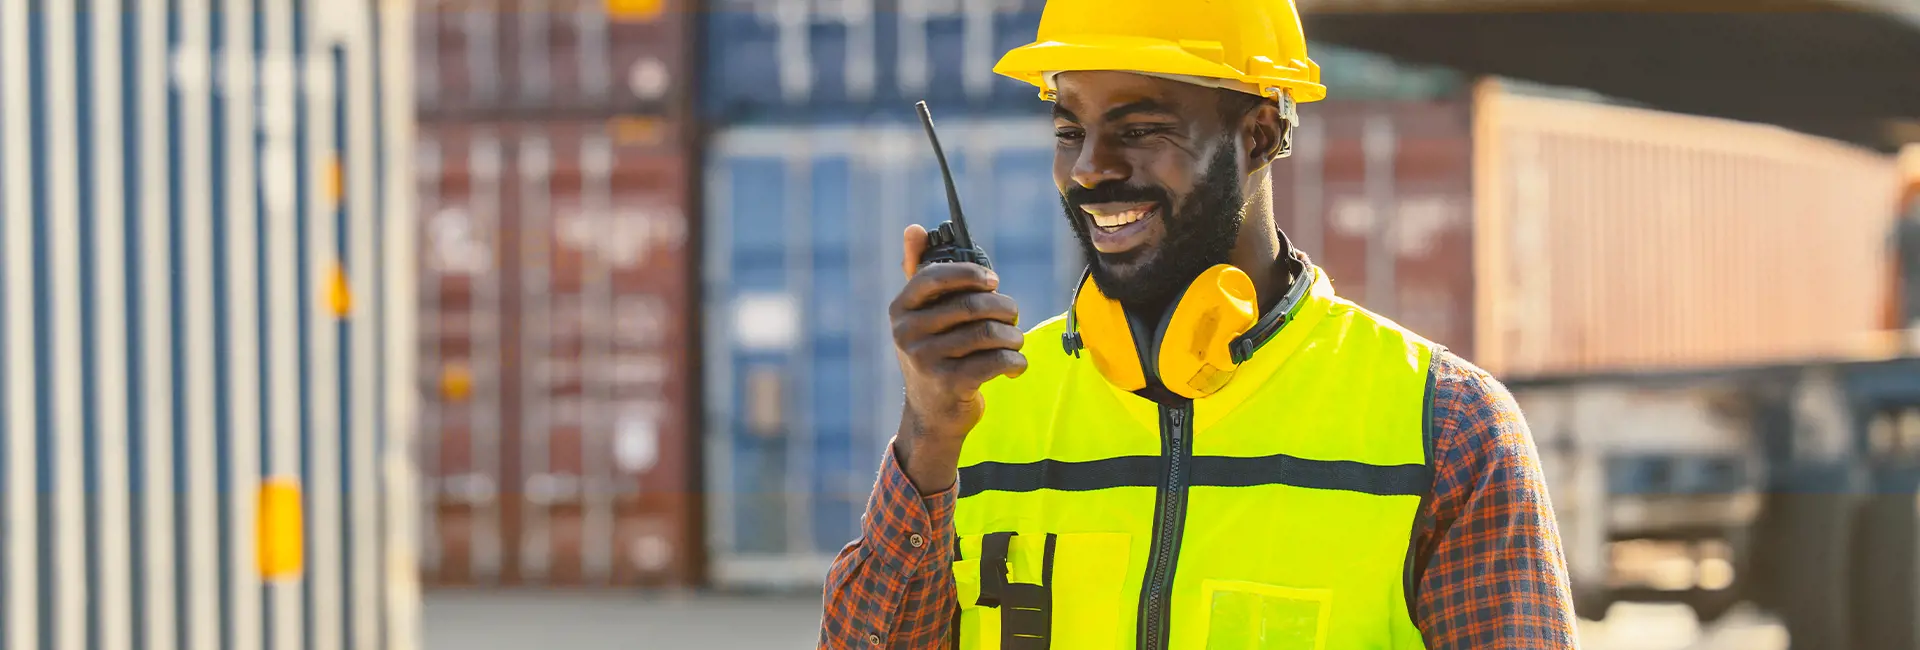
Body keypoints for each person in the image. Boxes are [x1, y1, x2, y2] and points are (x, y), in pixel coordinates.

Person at [819, 0, 1579, 647]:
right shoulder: (984, 412)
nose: (1089, 167)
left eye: (1140, 128)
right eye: (1069, 129)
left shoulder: (1444, 429)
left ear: (1257, 135)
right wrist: (928, 436)